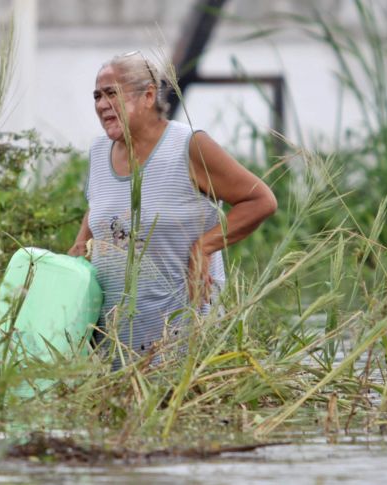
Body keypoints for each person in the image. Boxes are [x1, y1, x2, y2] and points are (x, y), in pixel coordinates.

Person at [68, 51, 277, 367]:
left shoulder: (188, 146)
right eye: (97, 95)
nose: (100, 104)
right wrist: (79, 247)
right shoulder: (99, 152)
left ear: (148, 95)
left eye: (112, 93)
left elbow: (261, 200)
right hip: (113, 344)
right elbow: (98, 206)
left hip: (182, 338)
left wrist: (204, 247)